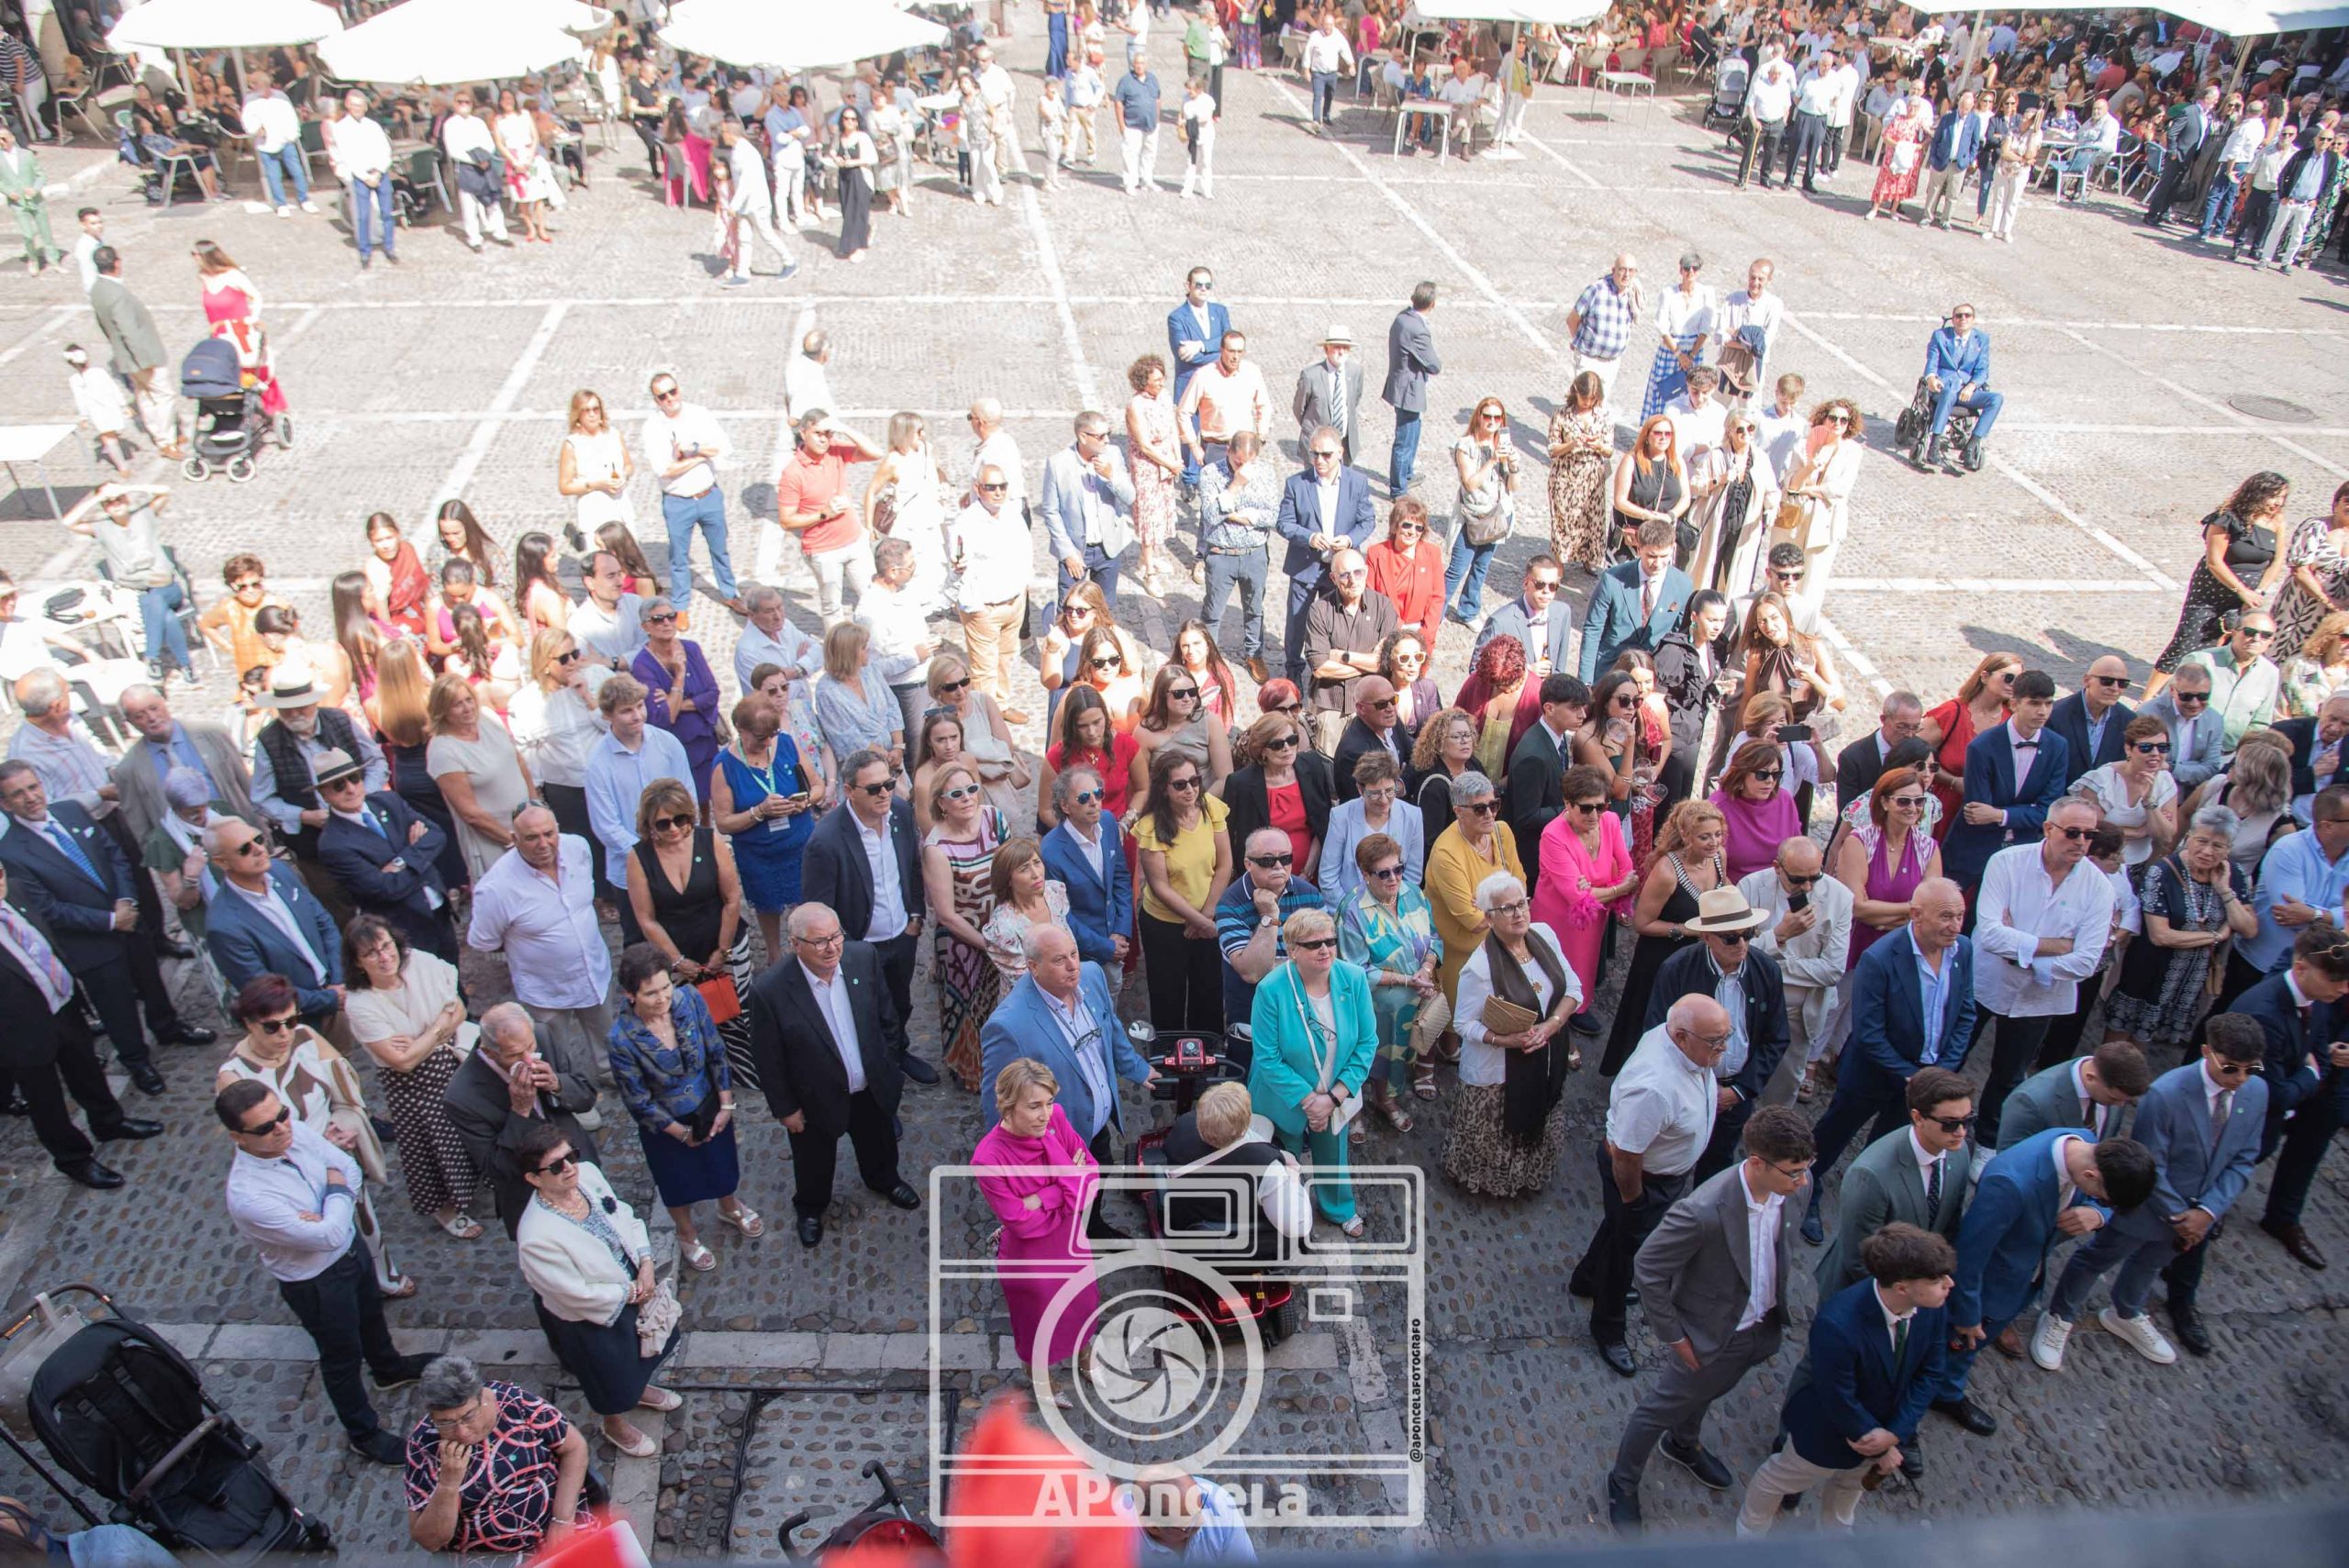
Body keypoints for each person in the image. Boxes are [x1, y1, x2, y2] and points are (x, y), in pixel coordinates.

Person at [1606, 1106, 1812, 1532]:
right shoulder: (1703, 1210)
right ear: (1758, 1163)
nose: (1803, 1181)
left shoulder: (1793, 1192)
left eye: (1806, 1169)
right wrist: (1675, 1337)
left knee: (1712, 1388)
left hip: (1758, 1328)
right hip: (1705, 1334)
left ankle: (1683, 1444)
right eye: (1794, 1172)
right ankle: (1622, 1481)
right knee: (1658, 1409)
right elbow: (1648, 1268)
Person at [219, 1079, 434, 1465]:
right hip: (315, 1280)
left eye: (282, 1115)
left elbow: (348, 1169)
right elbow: (327, 1233)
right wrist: (335, 1193)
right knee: (341, 1356)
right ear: (238, 1137)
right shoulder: (249, 1195)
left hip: (350, 1249)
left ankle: (388, 1368)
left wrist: (329, 1203)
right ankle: (363, 1432)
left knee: (371, 1315)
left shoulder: (293, 1131)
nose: (281, 1128)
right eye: (265, 1127)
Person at [1733, 1224, 1955, 1533]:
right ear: (1902, 1288)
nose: (1949, 1284)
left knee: (1850, 1488)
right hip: (1829, 1433)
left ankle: (1835, 1535)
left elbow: (1931, 1372)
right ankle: (1749, 1531)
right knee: (1778, 1479)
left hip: (1883, 1431)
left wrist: (1894, 1433)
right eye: (1935, 1281)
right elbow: (1837, 1393)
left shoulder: (1932, 1307)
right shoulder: (1838, 1324)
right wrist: (1877, 1441)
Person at [1938, 1129, 2158, 1438]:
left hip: (2020, 1279)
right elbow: (1969, 1258)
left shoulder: (2083, 1142)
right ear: (2091, 1176)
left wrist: (2097, 1212)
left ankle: (1947, 1390)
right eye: (2101, 1198)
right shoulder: (2010, 1184)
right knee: (1950, 1348)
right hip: (1988, 1288)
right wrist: (1967, 1314)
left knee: (1970, 1349)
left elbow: (2100, 1204)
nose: (2101, 1202)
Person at [747, 902, 920, 1248]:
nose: (832, 948)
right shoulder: (770, 991)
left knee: (879, 1142)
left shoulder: (862, 958)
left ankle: (885, 1180)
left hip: (869, 1086)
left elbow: (887, 1018)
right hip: (814, 1097)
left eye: (836, 936)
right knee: (813, 1160)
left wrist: (887, 1066)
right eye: (820, 941)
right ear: (795, 944)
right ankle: (811, 1208)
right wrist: (786, 1109)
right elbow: (768, 1059)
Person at [1577, 995, 1731, 1376]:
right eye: (1715, 1042)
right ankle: (1608, 1327)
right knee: (1627, 1252)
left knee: (1618, 1232)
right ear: (1681, 1037)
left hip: (1661, 1175)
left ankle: (1586, 1278)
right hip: (1642, 1180)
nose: (1724, 1049)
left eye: (1725, 1037)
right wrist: (1634, 1200)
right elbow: (1626, 1155)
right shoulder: (1654, 1087)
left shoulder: (1685, 1047)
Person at [511, 1120, 682, 1461]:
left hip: (633, 1282)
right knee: (608, 1373)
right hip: (592, 1315)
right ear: (533, 1178)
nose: (569, 1168)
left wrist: (646, 1262)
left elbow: (624, 1216)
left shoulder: (587, 1175)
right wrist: (630, 1294)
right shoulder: (536, 1236)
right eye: (556, 1166)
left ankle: (640, 1389)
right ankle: (614, 1423)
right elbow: (570, 1292)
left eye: (570, 1156)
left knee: (647, 1348)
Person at [0, 862, 160, 1189]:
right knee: (46, 1101)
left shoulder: (16, 890)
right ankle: (73, 1159)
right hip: (20, 1032)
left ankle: (109, 1122)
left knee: (86, 1071)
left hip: (63, 1004)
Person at [1972, 795, 2118, 1148]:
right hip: (1984, 981)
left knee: (2009, 1075)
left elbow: (2086, 962)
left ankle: (1987, 1142)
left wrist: (2020, 953)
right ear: (2048, 829)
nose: (2081, 842)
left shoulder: (2100, 889)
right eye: (2072, 832)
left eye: (2090, 835)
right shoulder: (2007, 863)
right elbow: (1990, 935)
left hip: (2039, 998)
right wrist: (2057, 945)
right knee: (1951, 1055)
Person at [608, 942, 757, 1279]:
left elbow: (716, 1051)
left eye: (665, 987)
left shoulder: (689, 998)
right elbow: (638, 1100)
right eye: (650, 993)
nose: (662, 998)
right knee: (677, 1182)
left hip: (708, 1106)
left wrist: (726, 1103)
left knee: (722, 1165)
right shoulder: (621, 1039)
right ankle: (686, 1233)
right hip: (665, 1123)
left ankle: (729, 1206)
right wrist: (681, 1133)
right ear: (630, 995)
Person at [343, 915, 481, 1240]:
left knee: (468, 1131)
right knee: (430, 1146)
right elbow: (402, 1062)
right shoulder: (360, 1003)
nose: (384, 957)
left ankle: (475, 1184)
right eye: (371, 953)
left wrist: (422, 1038)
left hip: (453, 1065)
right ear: (358, 962)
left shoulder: (421, 964)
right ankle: (444, 1207)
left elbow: (459, 1010)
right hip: (412, 1087)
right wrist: (439, 1026)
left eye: (386, 946)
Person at [467, 805, 618, 1097]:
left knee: (605, 1032)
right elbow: (482, 940)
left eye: (549, 834)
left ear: (558, 829)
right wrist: (532, 946)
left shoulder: (578, 848)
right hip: (546, 988)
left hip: (593, 971)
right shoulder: (496, 887)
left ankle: (610, 1072)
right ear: (515, 839)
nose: (543, 843)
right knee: (553, 1050)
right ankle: (567, 1094)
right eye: (531, 837)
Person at [1248, 908, 1375, 1236]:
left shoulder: (1354, 979)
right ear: (1292, 950)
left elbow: (1367, 1042)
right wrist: (1310, 1101)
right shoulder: (1270, 990)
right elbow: (1268, 1058)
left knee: (1334, 1154)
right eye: (1314, 944)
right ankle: (1284, 1218)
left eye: (1330, 941)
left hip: (1335, 1092)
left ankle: (1338, 1209)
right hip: (1282, 1097)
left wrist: (1333, 1098)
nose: (1325, 949)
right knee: (1283, 1162)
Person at [1813, 1065, 1976, 1307]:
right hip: (1865, 1296)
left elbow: (1948, 1225)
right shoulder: (1871, 1175)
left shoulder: (1957, 1152)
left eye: (1968, 1120)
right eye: (1950, 1123)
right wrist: (1910, 1297)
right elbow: (1860, 1258)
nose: (1961, 1132)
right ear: (1918, 1117)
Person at [442, 1003, 602, 1238]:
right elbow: (496, 1167)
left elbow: (585, 1096)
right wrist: (520, 1112)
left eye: (530, 1047)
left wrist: (557, 1084)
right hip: (531, 1195)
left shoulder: (541, 1035)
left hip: (579, 1164)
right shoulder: (462, 1096)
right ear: (489, 1053)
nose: (528, 1059)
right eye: (515, 1055)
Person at [404, 1356, 591, 1556]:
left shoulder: (513, 1401)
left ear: (481, 1397)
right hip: (490, 1556)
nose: (462, 1433)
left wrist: (562, 1520)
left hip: (558, 1516)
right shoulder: (423, 1445)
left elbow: (574, 1448)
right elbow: (430, 1541)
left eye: (468, 1416)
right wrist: (448, 1485)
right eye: (446, 1423)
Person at [2146, 473, 2289, 698]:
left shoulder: (2277, 521)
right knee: (2186, 642)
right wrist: (2242, 591)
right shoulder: (2226, 518)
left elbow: (2278, 560)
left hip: (2248, 597)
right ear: (2258, 493)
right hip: (2212, 593)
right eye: (2273, 496)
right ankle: (2148, 697)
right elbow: (2214, 561)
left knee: (2231, 645)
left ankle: (2207, 694)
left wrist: (2258, 591)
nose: (2278, 503)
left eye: (2282, 497)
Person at [315, 748, 456, 962]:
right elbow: (386, 888)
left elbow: (436, 835)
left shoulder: (387, 801)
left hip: (438, 909)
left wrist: (400, 862)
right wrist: (417, 853)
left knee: (453, 972)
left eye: (354, 779)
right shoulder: (333, 844)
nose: (351, 789)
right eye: (338, 786)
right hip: (405, 928)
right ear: (324, 794)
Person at [1940, 668, 2068, 892]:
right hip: (1973, 851)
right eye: (2034, 703)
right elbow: (1977, 812)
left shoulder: (2058, 746)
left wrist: (2000, 815)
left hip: (2024, 851)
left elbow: (2049, 811)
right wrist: (2027, 811)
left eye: (2048, 704)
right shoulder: (1982, 747)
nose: (2043, 711)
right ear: (2015, 703)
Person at [923, 763, 1009, 1092]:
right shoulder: (936, 848)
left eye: (972, 789)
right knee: (968, 1010)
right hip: (962, 942)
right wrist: (987, 944)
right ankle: (971, 1073)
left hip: (1001, 929)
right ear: (941, 802)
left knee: (1003, 1004)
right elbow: (946, 914)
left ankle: (1005, 1066)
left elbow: (1012, 866)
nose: (967, 798)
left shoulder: (994, 819)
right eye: (956, 793)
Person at [62, 484, 195, 687]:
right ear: (104, 507)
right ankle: (186, 667)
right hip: (137, 593)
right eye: (109, 503)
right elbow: (68, 522)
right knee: (167, 617)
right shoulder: (103, 528)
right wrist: (97, 497)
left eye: (119, 499)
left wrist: (126, 487)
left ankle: (152, 658)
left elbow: (165, 490)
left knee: (155, 599)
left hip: (167, 588)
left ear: (126, 499)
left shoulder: (144, 515)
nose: (115, 504)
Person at [1276, 435, 1381, 687]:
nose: (1319, 460)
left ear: (1340, 452)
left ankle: (1327, 667)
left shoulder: (1356, 482)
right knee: (1297, 620)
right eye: (1314, 454)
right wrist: (1309, 537)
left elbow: (1367, 520)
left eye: (1326, 454)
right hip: (1306, 566)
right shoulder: (1296, 484)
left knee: (1336, 621)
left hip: (1340, 570)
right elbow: (1284, 523)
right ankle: (1294, 668)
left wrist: (1349, 539)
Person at [642, 372, 743, 622]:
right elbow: (665, 469)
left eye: (672, 391)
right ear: (656, 400)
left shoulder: (699, 414)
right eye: (662, 396)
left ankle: (730, 593)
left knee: (720, 549)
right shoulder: (653, 428)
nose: (669, 398)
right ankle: (680, 604)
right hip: (678, 501)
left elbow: (722, 447)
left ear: (679, 389)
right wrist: (700, 458)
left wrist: (692, 450)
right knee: (678, 556)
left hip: (708, 495)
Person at [1422, 768, 1524, 1009]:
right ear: (1458, 811)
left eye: (1494, 805)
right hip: (1465, 955)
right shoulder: (1447, 854)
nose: (1490, 814)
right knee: (1463, 1017)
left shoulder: (1502, 832)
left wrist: (1488, 905)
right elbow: (1473, 921)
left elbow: (1520, 887)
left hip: (1503, 944)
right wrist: (1507, 903)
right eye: (1480, 809)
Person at [87, 246, 182, 461]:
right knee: (163, 395)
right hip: (142, 356)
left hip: (125, 356)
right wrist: (144, 360)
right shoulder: (117, 294)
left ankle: (158, 434)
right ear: (117, 263)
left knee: (144, 395)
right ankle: (167, 439)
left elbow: (104, 324)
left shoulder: (98, 289)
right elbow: (129, 330)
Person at [1442, 396, 1521, 627]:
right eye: (1488, 416)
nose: (1492, 422)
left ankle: (1469, 611)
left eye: (1497, 417)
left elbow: (1513, 487)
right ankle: (1436, 611)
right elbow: (1470, 483)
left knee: (1481, 567)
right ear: (1479, 417)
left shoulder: (1504, 446)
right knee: (1457, 568)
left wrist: (1514, 465)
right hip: (1472, 516)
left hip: (1496, 516)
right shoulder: (1465, 446)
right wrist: (1492, 461)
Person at [1580, 521, 1693, 684]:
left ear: (1672, 549)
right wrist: (1585, 682)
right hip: (1611, 670)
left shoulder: (1683, 584)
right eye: (1651, 556)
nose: (1658, 563)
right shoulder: (1612, 579)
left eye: (1664, 557)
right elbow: (1593, 629)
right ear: (1639, 549)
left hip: (1653, 676)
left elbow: (1679, 635)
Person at [1918, 304, 2004, 473]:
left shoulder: (1981, 339)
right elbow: (1932, 361)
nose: (1963, 319)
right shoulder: (1940, 336)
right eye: (1959, 316)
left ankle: (1971, 446)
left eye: (1967, 315)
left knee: (1996, 399)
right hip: (1943, 389)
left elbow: (1982, 369)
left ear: (1973, 319)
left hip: (1966, 392)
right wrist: (1931, 378)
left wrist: (1972, 385)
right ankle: (1934, 444)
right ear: (1953, 319)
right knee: (1949, 393)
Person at [1381, 283, 1442, 498]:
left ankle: (1406, 474)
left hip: (1401, 384)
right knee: (1405, 439)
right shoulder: (1417, 330)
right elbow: (1434, 365)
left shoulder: (1402, 318)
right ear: (1432, 304)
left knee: (1413, 430)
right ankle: (1398, 489)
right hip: (1409, 390)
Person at [2047, 658, 2136, 790]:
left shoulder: (2128, 720)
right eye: (2107, 681)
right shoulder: (2056, 715)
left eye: (2123, 683)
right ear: (2087, 680)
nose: (2115, 688)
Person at [1293, 326, 1364, 468]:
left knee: (1343, 480)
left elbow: (1354, 400)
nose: (1341, 352)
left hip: (1344, 443)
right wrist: (1313, 428)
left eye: (1345, 348)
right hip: (1318, 446)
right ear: (1326, 349)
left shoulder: (1355, 372)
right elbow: (1299, 408)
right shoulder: (1311, 376)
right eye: (1337, 347)